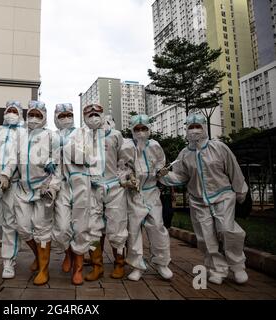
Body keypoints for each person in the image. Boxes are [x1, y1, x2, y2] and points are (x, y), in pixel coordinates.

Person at [160, 114, 249, 285]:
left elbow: (234, 170)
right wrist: (163, 176)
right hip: (198, 200)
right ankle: (217, 269)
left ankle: (238, 266)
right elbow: (180, 176)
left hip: (223, 195)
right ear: (186, 130)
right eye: (191, 127)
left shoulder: (220, 148)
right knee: (205, 237)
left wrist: (240, 192)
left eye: (197, 126)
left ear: (204, 128)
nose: (194, 131)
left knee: (227, 230)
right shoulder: (184, 154)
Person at [13, 101, 61, 285]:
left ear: (44, 117)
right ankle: (38, 256)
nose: (33, 119)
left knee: (42, 230)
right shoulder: (20, 136)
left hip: (43, 191)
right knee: (23, 229)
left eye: (38, 115)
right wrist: (4, 174)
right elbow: (12, 159)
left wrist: (53, 186)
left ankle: (44, 269)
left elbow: (59, 166)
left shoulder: (51, 136)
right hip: (23, 190)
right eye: (31, 115)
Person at [122, 114, 173, 281]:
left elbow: (160, 163)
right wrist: (128, 179)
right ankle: (137, 266)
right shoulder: (126, 146)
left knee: (157, 226)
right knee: (134, 230)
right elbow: (121, 167)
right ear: (132, 130)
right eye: (137, 129)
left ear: (149, 130)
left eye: (144, 129)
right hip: (134, 193)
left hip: (152, 192)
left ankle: (162, 263)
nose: (141, 132)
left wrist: (160, 172)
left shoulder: (155, 145)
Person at [83, 104, 130, 281]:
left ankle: (119, 263)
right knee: (92, 227)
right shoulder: (83, 137)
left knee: (117, 227)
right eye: (89, 115)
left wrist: (124, 177)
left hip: (114, 188)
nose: (93, 118)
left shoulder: (116, 136)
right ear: (85, 119)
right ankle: (97, 266)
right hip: (92, 188)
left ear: (102, 115)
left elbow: (124, 162)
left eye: (96, 114)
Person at [0, 100, 25, 279]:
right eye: (9, 110)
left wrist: (8, 175)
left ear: (20, 114)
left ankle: (9, 261)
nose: (11, 114)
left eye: (15, 111)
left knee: (9, 222)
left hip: (13, 182)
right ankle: (9, 246)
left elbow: (19, 156)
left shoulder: (24, 133)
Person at [52, 103, 91, 285]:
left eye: (68, 115)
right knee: (61, 228)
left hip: (80, 182)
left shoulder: (83, 133)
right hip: (61, 185)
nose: (65, 118)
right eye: (61, 116)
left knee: (81, 227)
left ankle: (78, 268)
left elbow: (85, 158)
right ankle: (68, 252)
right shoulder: (53, 136)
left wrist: (66, 146)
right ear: (55, 118)